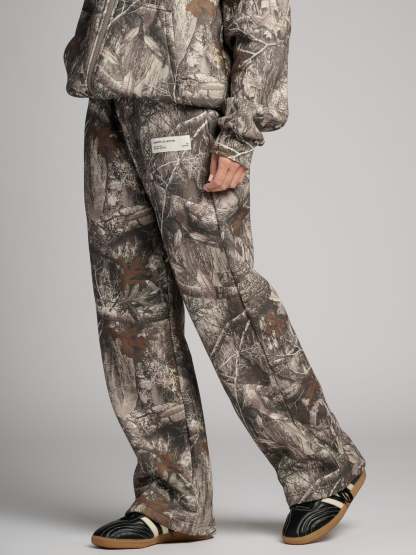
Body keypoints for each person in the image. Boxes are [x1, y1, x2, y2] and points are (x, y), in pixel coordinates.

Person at [64, 0, 366, 548]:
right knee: (129, 307)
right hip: (109, 101)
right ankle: (173, 497)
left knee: (224, 297)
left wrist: (239, 133)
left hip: (187, 110)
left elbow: (263, 16)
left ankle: (323, 467)